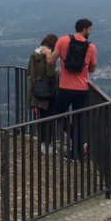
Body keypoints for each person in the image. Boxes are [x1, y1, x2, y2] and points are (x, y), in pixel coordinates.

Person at [46, 19, 98, 158]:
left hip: (66, 88)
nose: (90, 33)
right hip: (82, 89)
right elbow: (92, 68)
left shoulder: (63, 40)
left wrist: (46, 53)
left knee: (58, 114)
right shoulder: (91, 47)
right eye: (90, 30)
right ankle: (77, 151)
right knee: (79, 119)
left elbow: (51, 61)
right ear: (84, 29)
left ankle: (77, 144)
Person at [28, 34, 59, 153]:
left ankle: (42, 144)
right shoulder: (49, 54)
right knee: (50, 118)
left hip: (36, 90)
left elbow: (29, 71)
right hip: (48, 91)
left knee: (40, 118)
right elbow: (51, 73)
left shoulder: (34, 54)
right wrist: (60, 72)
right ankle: (49, 146)